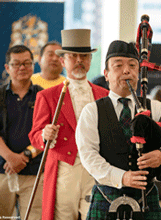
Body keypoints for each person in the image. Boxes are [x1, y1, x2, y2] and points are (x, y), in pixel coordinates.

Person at [76, 40, 161, 219]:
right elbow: (88, 156)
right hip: (106, 196)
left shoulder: (155, 108)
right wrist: (121, 177)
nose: (126, 70)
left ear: (138, 73)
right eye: (118, 65)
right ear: (106, 74)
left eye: (132, 65)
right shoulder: (92, 111)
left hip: (146, 198)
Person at [28, 29, 109, 220]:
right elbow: (35, 135)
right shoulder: (47, 96)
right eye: (73, 56)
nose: (79, 60)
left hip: (95, 168)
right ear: (63, 61)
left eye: (84, 56)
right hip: (64, 168)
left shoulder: (104, 95)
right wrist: (44, 134)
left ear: (90, 61)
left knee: (95, 216)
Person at [0, 45, 43, 219]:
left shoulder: (43, 95)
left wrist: (24, 157)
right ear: (7, 68)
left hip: (34, 172)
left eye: (27, 63)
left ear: (33, 66)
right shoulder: (0, 95)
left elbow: (47, 133)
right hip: (3, 171)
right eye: (16, 64)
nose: (22, 68)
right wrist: (11, 157)